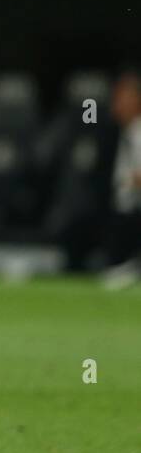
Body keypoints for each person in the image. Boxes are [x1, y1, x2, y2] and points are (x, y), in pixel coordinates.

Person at [102, 68, 141, 289]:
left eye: (123, 98)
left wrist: (131, 182)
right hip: (122, 212)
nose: (116, 104)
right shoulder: (119, 132)